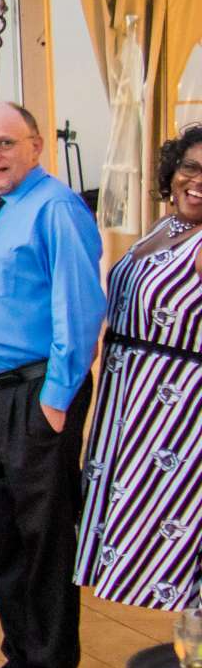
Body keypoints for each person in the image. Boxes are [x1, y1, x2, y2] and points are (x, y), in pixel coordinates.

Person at [0, 102, 104, 668]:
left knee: (43, 538)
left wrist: (56, 400)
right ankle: (21, 657)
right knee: (5, 538)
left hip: (35, 394)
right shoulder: (4, 208)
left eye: (5, 143)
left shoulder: (57, 207)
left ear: (37, 146)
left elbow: (80, 306)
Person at [75, 124, 202, 612]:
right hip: (130, 395)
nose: (197, 180)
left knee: (181, 532)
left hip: (178, 406)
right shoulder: (164, 228)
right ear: (171, 173)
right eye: (189, 167)